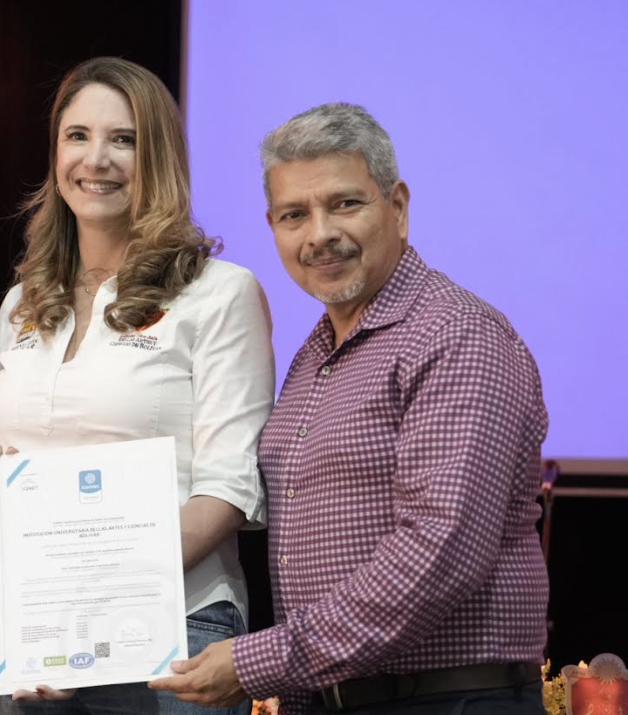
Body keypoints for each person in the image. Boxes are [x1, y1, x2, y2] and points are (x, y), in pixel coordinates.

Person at [150, 103, 549, 714]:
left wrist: (261, 662)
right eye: (294, 215)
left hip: (446, 699)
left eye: (345, 204)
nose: (319, 235)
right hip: (333, 697)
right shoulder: (315, 355)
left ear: (399, 206)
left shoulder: (456, 335)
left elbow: (438, 552)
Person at [0, 56, 275, 715]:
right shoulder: (21, 303)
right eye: (77, 136)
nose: (97, 159)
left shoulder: (220, 294)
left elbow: (226, 490)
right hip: (34, 639)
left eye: (124, 139)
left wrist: (83, 603)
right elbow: (1, 456)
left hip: (175, 633)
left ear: (159, 156)